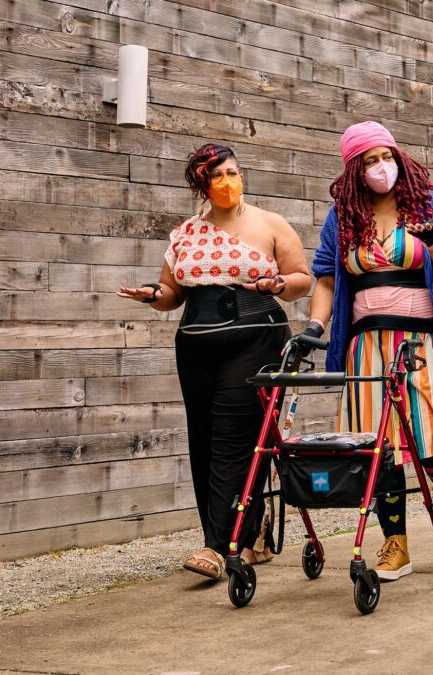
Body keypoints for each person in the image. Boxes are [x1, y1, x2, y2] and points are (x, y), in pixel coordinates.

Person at [117, 144, 311, 580]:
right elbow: (173, 294)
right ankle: (245, 530)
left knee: (233, 437)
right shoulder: (186, 232)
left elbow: (301, 280)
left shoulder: (270, 223)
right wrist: (152, 296)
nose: (227, 182)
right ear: (202, 185)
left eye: (233, 173)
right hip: (195, 344)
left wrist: (277, 283)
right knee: (203, 439)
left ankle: (217, 546)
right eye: (217, 176)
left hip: (255, 338)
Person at [307, 121, 433, 581]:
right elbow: (325, 276)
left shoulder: (425, 204)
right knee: (375, 448)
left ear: (399, 158)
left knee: (429, 439)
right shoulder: (342, 217)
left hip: (423, 343)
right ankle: (394, 544)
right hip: (367, 346)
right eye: (369, 162)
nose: (381, 168)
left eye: (387, 157)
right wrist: (314, 325)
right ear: (354, 171)